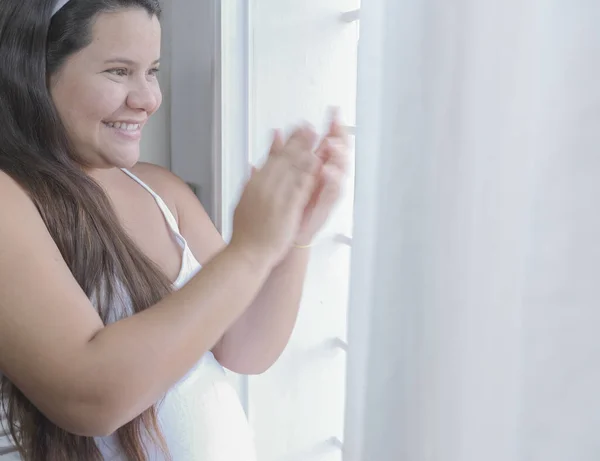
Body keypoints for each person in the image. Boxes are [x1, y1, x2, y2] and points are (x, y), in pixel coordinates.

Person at [0, 0, 348, 459]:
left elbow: (244, 347)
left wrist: (292, 236)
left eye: (152, 71)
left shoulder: (163, 192)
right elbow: (91, 397)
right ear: (36, 74)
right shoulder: (11, 200)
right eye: (119, 71)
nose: (148, 98)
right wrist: (249, 251)